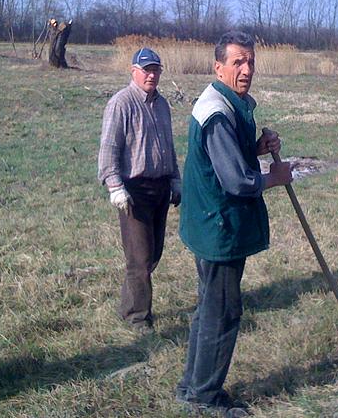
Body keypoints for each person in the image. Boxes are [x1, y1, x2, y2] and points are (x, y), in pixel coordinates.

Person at [176, 31, 293, 416]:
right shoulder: (217, 112)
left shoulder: (228, 102)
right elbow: (236, 181)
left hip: (210, 223)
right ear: (218, 67)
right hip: (219, 227)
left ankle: (191, 386)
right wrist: (273, 178)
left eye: (250, 62)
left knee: (209, 307)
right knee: (222, 312)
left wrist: (256, 148)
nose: (246, 70)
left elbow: (226, 158)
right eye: (237, 62)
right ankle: (204, 398)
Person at [97, 47, 181, 334]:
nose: (151, 75)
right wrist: (115, 186)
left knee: (152, 254)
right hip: (134, 191)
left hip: (160, 187)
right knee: (140, 258)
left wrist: (175, 180)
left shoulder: (162, 105)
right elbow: (109, 149)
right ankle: (137, 318)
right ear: (134, 71)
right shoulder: (121, 103)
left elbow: (169, 147)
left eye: (156, 70)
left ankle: (128, 306)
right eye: (146, 70)